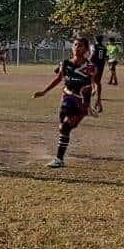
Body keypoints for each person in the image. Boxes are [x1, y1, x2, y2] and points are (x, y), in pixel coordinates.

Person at [33, 37, 97, 169]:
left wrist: (92, 100)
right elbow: (58, 78)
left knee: (65, 128)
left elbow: (92, 84)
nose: (76, 48)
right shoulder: (66, 63)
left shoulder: (90, 67)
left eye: (80, 46)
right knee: (63, 127)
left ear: (85, 49)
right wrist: (44, 92)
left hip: (81, 102)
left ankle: (59, 159)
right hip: (66, 97)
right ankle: (62, 148)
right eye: (74, 45)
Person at [90, 35, 108, 113]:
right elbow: (105, 57)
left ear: (95, 39)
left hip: (94, 64)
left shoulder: (94, 46)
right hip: (101, 65)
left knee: (90, 78)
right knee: (98, 82)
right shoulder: (104, 47)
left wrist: (89, 61)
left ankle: (94, 90)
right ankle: (98, 100)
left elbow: (93, 54)